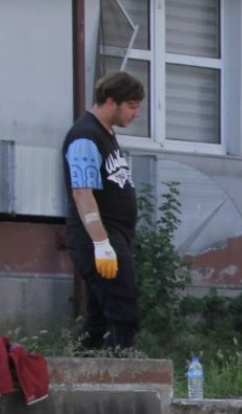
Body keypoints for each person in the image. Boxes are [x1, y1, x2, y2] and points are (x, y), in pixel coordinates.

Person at [63, 71, 145, 352]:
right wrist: (101, 243)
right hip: (99, 239)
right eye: (132, 106)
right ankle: (121, 379)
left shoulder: (106, 134)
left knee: (98, 319)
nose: (136, 114)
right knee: (124, 311)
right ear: (112, 102)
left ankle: (77, 375)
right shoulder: (85, 136)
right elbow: (82, 192)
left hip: (113, 237)